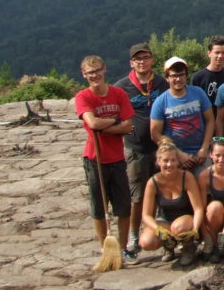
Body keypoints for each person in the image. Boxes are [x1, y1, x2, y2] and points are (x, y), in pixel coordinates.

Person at [74, 55, 134, 255]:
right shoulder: (83, 97)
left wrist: (104, 125)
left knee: (123, 207)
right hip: (94, 159)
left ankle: (124, 248)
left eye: (98, 70)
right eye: (91, 72)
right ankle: (105, 249)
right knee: (99, 209)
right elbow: (92, 124)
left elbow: (128, 125)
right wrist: (115, 122)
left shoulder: (118, 94)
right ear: (84, 74)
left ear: (105, 69)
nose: (95, 75)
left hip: (117, 159)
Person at [113, 42, 168, 257]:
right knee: (137, 196)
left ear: (152, 60)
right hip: (136, 149)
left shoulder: (162, 84)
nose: (142, 62)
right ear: (131, 63)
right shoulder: (121, 87)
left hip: (161, 149)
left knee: (164, 194)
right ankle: (134, 237)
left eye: (145, 58)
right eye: (138, 59)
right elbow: (115, 117)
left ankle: (165, 237)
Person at [139, 139, 206, 268]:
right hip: (164, 221)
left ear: (178, 161)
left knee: (178, 227)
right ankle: (168, 246)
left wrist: (195, 229)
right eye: (165, 161)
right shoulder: (153, 182)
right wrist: (158, 230)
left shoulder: (187, 177)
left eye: (173, 160)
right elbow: (146, 216)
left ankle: (188, 247)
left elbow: (198, 208)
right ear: (158, 162)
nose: (169, 164)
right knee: (146, 242)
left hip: (185, 220)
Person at [150, 56, 214, 170]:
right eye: (174, 76)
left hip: (200, 155)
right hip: (174, 159)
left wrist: (205, 148)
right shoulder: (161, 102)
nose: (178, 79)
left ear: (186, 75)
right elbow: (155, 134)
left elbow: (210, 120)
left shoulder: (198, 93)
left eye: (181, 75)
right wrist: (179, 154)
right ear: (167, 78)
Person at [191, 35, 224, 106]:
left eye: (223, 53)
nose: (220, 56)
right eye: (217, 52)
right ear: (209, 53)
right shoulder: (197, 78)